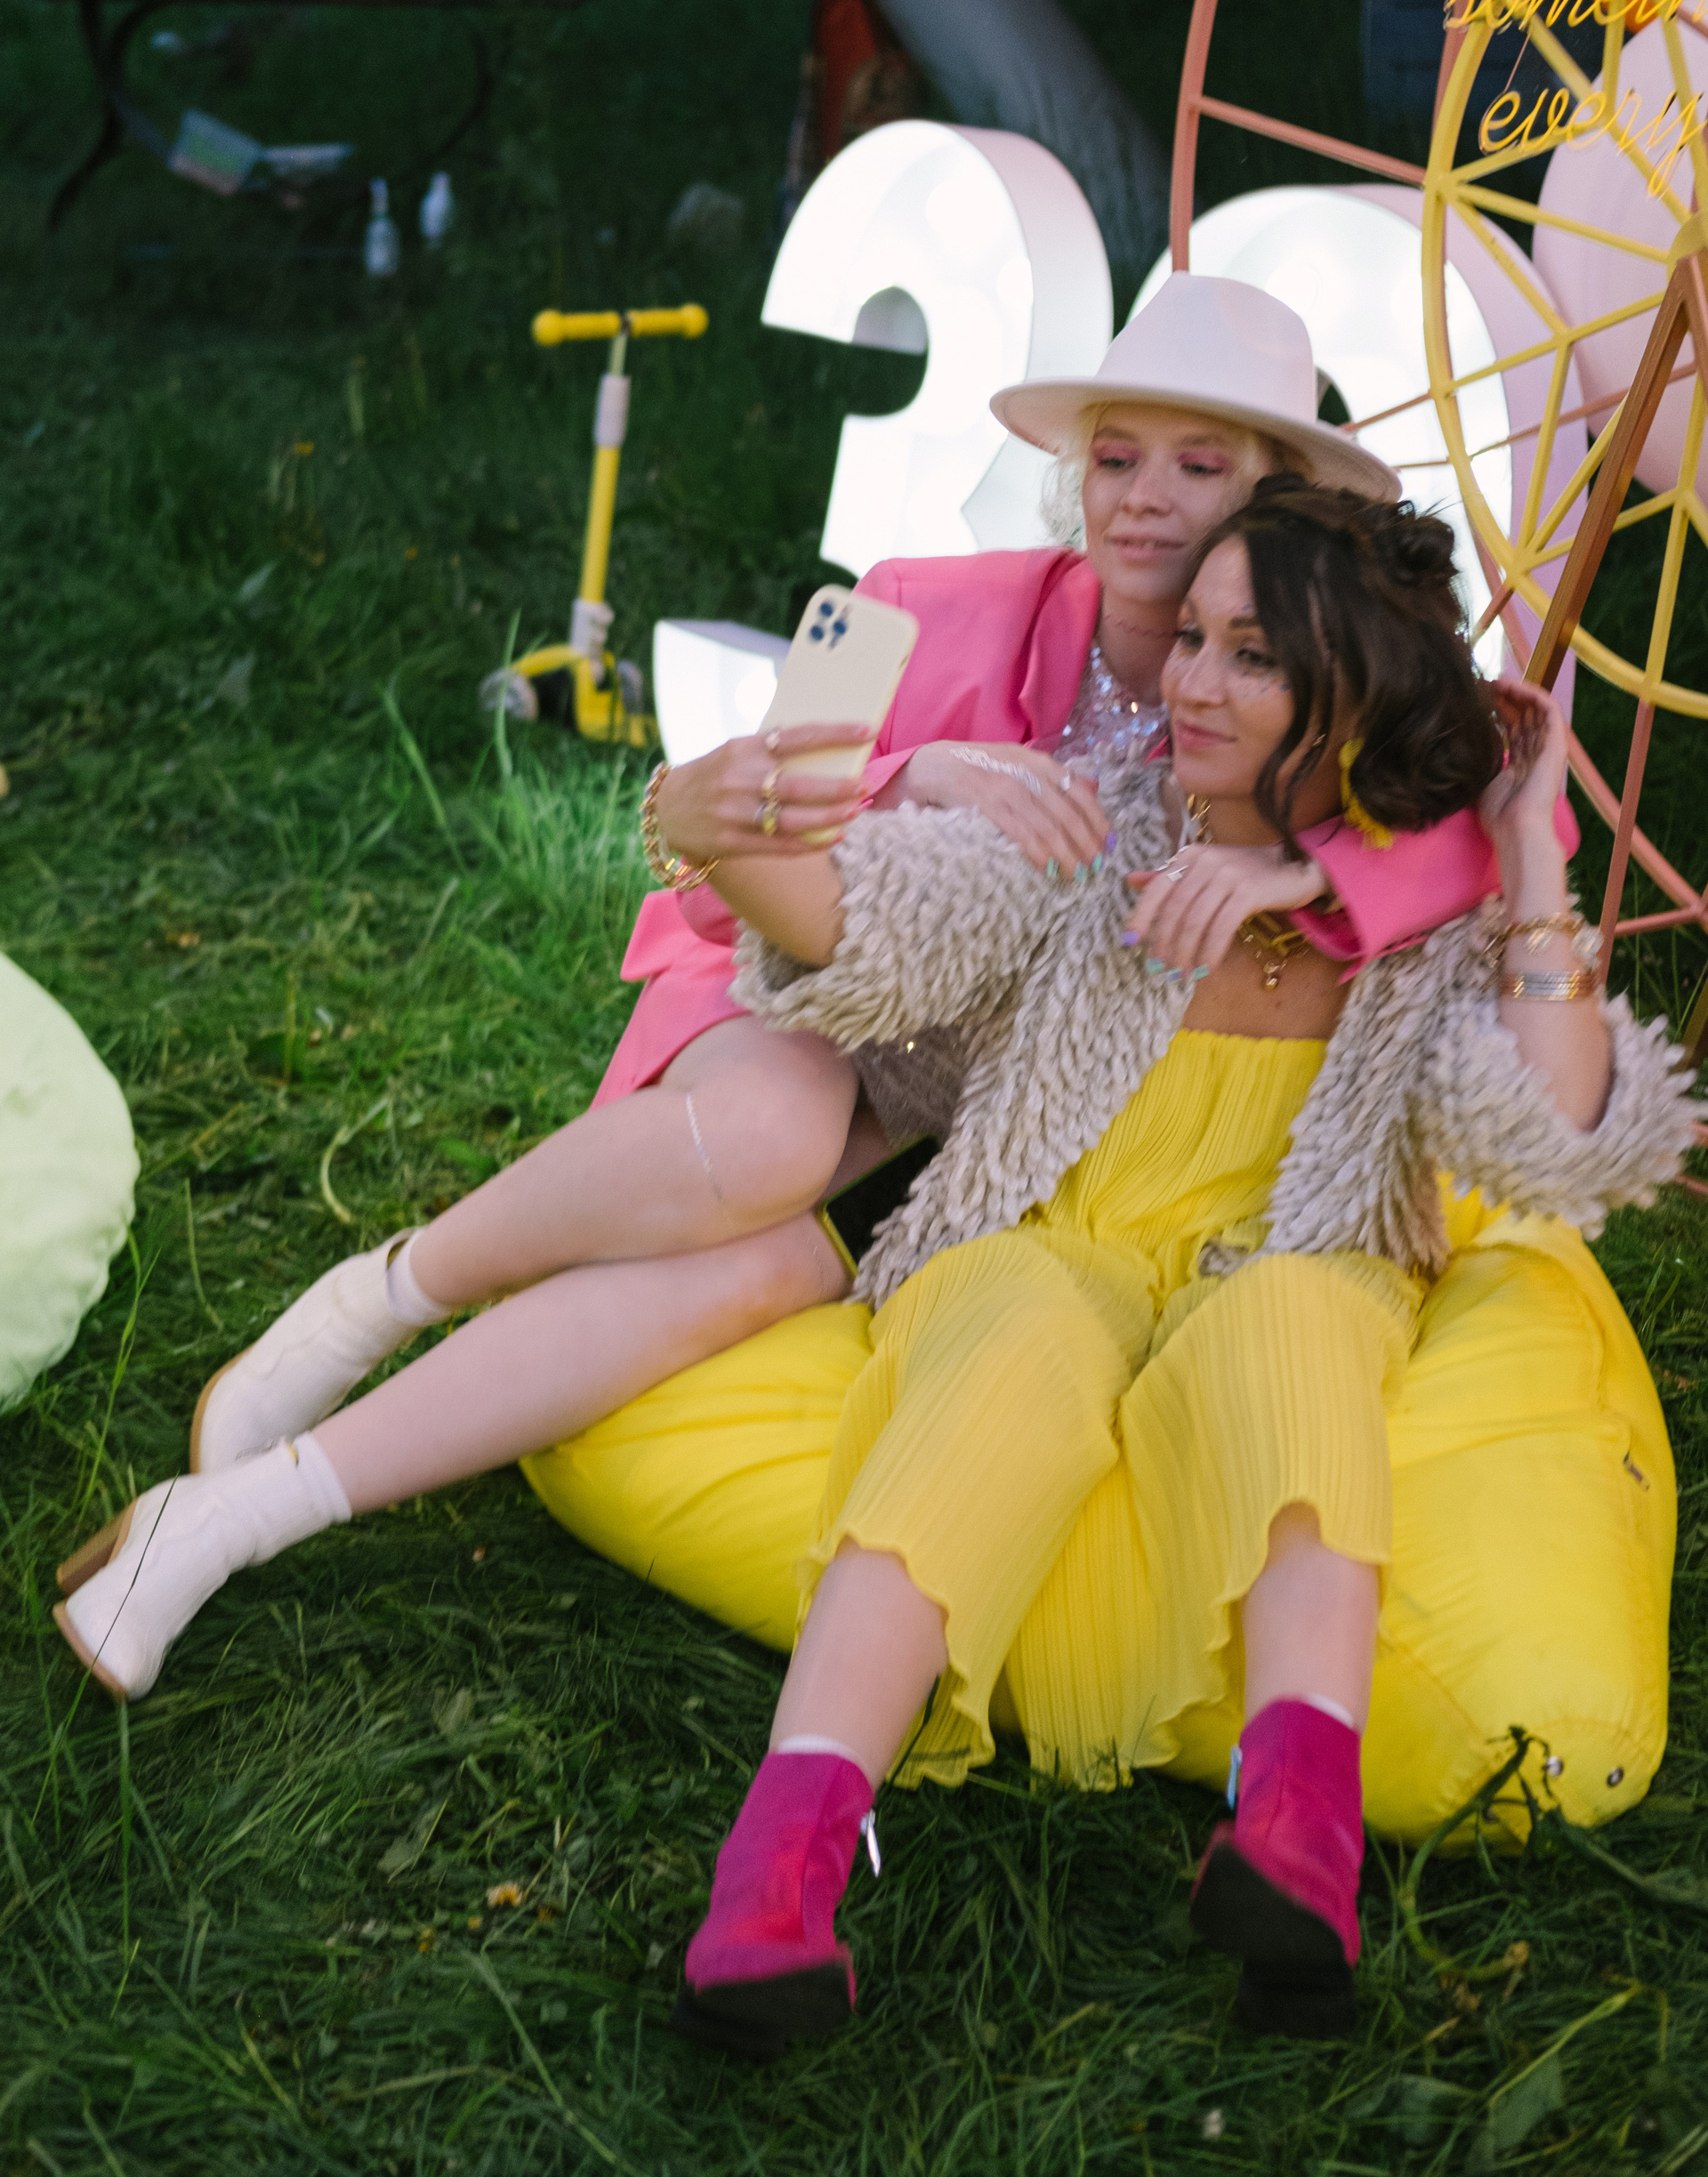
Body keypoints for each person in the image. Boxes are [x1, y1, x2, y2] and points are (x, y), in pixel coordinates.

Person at [664, 477, 1693, 2052]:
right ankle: (777, 1875)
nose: (1192, 681)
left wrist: (1530, 857)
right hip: (1059, 1236)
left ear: (1354, 691)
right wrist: (723, 834)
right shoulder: (1101, 830)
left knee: (1299, 1329)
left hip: (1295, 1255)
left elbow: (1557, 1139)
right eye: (1194, 638)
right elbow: (871, 931)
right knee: (1004, 1338)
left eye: (1252, 655)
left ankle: (1294, 1840)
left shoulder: (1428, 923)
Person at [183, 276, 1496, 1497]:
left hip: (985, 1093)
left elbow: (1472, 815)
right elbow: (720, 888)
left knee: (762, 1262)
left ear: (1276, 500)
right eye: (1114, 459)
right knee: (778, 1134)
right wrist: (909, 775)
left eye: (1199, 467)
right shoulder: (911, 603)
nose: (1144, 500)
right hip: (803, 991)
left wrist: (1298, 860)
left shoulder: (1310, 679)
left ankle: (261, 1507)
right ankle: (375, 1302)